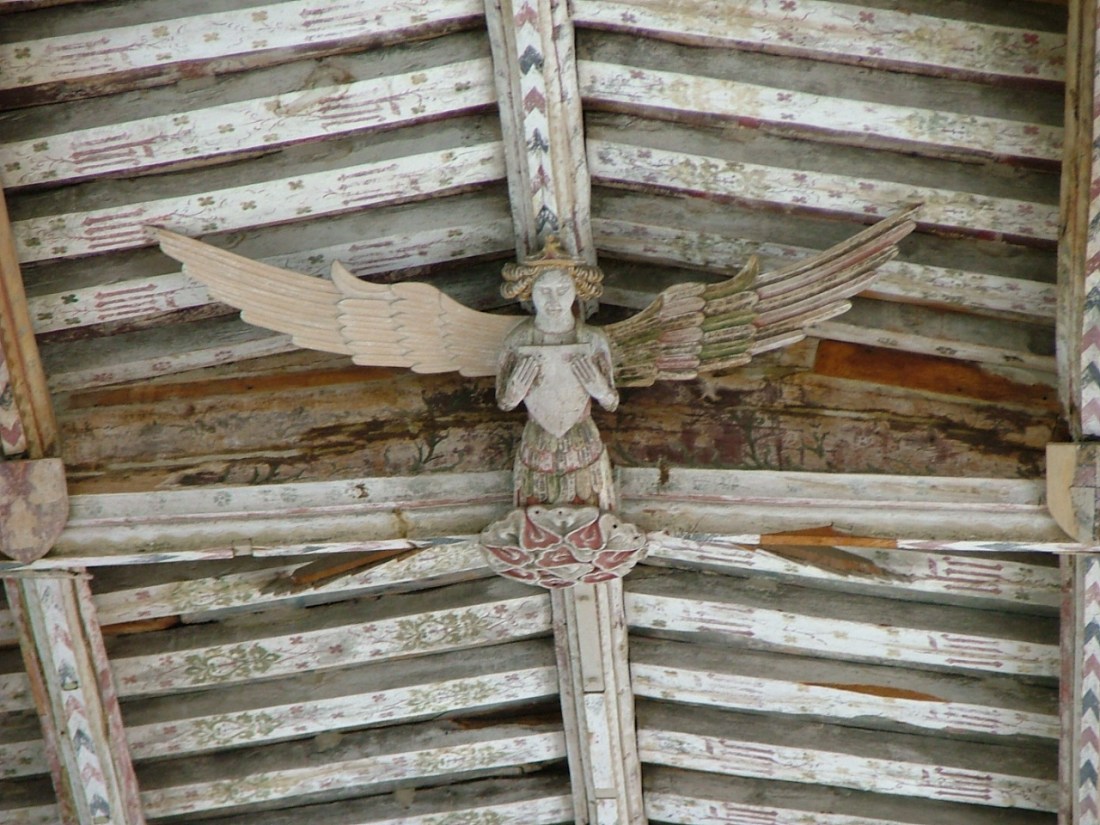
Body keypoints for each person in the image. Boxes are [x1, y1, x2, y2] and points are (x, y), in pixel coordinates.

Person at [496, 244, 618, 510]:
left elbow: (611, 401)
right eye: (544, 291)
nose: (554, 301)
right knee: (533, 506)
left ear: (576, 291)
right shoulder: (518, 339)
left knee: (590, 501)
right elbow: (505, 401)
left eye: (562, 291)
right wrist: (515, 390)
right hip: (538, 437)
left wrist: (599, 389)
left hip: (581, 436)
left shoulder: (593, 339)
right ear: (530, 293)